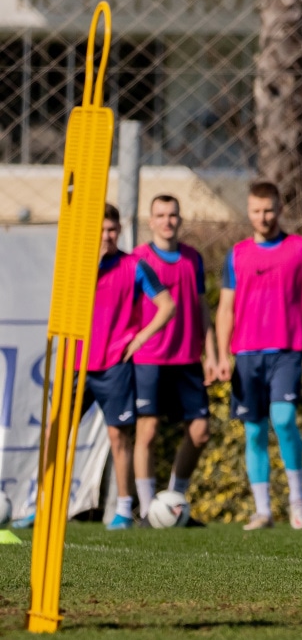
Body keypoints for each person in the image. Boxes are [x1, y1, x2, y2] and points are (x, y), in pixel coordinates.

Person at [13, 204, 175, 531]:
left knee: (118, 436)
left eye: (112, 230)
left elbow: (167, 306)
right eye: (101, 230)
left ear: (119, 231)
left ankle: (124, 511)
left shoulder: (135, 266)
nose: (107, 236)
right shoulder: (76, 267)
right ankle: (41, 506)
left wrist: (139, 339)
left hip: (113, 365)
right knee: (55, 432)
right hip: (75, 365)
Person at [215, 181, 302, 531]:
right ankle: (262, 510)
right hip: (246, 353)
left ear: (280, 209)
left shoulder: (301, 249)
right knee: (254, 431)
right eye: (256, 210)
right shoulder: (236, 254)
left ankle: (298, 500)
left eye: (268, 210)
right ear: (249, 211)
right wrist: (223, 355)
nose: (263, 217)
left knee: (283, 419)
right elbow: (225, 307)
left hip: (286, 350)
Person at [132, 195, 218, 524]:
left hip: (186, 359)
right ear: (150, 221)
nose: (167, 221)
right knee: (148, 432)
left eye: (172, 215)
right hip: (149, 358)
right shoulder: (138, 258)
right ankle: (145, 510)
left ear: (180, 220)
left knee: (199, 432)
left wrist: (211, 353)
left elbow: (201, 307)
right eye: (160, 215)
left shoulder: (192, 258)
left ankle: (174, 502)